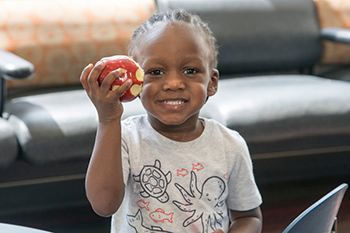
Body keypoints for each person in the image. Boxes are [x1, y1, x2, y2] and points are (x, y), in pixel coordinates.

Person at [80, 9, 263, 233]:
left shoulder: (230, 145)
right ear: (136, 84)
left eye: (190, 70)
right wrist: (108, 120)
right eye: (156, 72)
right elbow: (104, 204)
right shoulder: (124, 137)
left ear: (212, 82)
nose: (174, 83)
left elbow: (249, 217)